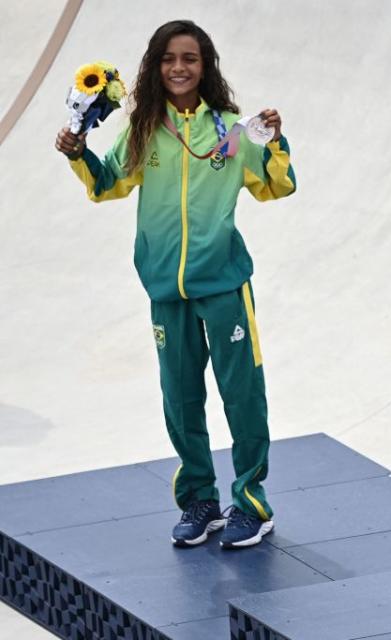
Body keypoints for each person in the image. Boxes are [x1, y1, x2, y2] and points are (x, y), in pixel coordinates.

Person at [54, 20, 296, 550]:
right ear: (155, 67)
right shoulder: (144, 129)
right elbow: (108, 184)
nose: (179, 67)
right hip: (166, 287)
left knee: (242, 395)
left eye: (190, 58)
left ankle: (251, 503)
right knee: (180, 399)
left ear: (205, 65)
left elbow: (277, 186)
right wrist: (78, 152)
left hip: (224, 284)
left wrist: (275, 141)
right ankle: (200, 501)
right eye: (168, 59)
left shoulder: (230, 129)